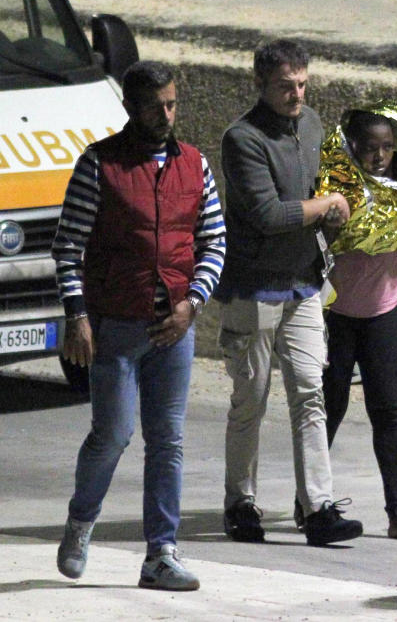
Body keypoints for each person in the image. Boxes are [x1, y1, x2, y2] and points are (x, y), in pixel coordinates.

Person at [52, 61, 225, 590]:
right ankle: (81, 524)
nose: (166, 114)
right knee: (112, 435)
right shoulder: (99, 164)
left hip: (173, 328)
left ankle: (161, 554)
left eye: (172, 104)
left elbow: (214, 242)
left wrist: (191, 304)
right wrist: (78, 317)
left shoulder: (194, 165)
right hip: (116, 327)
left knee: (168, 441)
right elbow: (67, 247)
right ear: (130, 106)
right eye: (156, 106)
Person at [215, 39, 361, 547]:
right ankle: (241, 503)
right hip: (253, 287)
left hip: (303, 283)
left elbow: (329, 183)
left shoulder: (314, 124)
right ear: (261, 85)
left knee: (310, 392)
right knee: (250, 399)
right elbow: (266, 214)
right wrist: (325, 206)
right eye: (285, 87)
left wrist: (341, 208)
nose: (296, 95)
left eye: (302, 84)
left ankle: (318, 506)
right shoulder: (243, 138)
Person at [314, 106, 397, 540]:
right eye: (370, 148)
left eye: (387, 147)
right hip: (337, 315)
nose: (380, 156)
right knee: (328, 409)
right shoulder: (334, 187)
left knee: (388, 412)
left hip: (384, 313)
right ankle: (310, 503)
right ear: (352, 149)